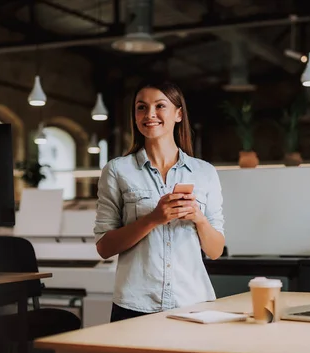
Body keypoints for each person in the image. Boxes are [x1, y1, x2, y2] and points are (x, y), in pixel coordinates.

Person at [94, 80, 226, 323]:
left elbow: (215, 251)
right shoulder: (117, 170)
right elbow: (104, 247)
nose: (150, 114)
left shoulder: (204, 172)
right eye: (141, 107)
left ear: (178, 114)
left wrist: (199, 218)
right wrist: (154, 218)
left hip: (193, 303)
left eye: (160, 106)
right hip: (134, 305)